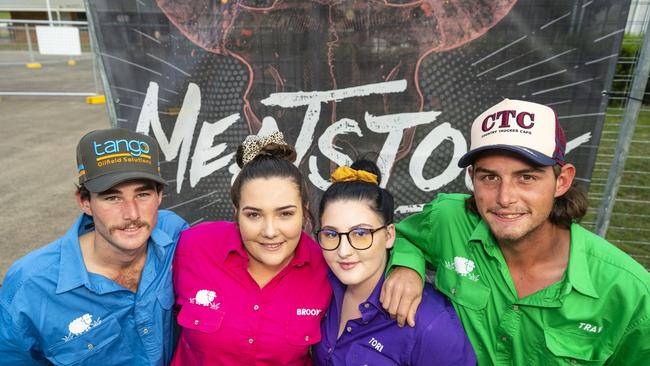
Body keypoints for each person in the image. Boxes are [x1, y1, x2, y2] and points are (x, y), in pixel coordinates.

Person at [385, 99, 650, 364]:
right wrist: (406, 267)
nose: (505, 198)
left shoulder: (630, 294)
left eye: (527, 178)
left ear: (562, 181)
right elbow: (405, 237)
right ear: (472, 177)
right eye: (489, 177)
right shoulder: (448, 219)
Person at [0, 128, 188, 365]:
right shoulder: (31, 285)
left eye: (142, 194)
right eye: (112, 198)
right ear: (85, 202)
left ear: (159, 197)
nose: (131, 213)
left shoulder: (176, 234)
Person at [170, 132, 331, 365]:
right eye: (254, 215)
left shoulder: (327, 268)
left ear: (304, 212)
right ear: (236, 214)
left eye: (285, 214)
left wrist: (403, 266)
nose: (269, 231)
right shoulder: (192, 247)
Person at [312, 161, 476, 365]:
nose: (343, 251)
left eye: (361, 233)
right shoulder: (320, 288)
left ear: (389, 235)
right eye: (331, 234)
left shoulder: (431, 323)